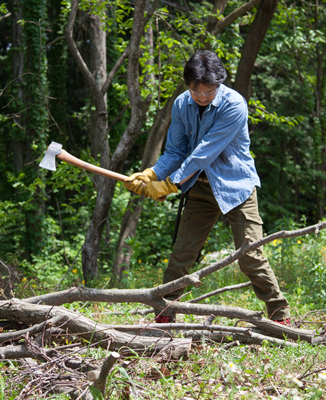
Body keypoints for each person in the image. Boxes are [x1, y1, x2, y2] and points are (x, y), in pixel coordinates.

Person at [124, 50, 291, 325]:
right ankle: (164, 316)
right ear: (188, 84)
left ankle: (279, 316)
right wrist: (152, 172)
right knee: (181, 256)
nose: (202, 96)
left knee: (250, 255)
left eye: (208, 90)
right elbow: (175, 150)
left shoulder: (234, 105)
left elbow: (204, 152)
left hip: (237, 187)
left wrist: (169, 184)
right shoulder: (180, 105)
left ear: (219, 83)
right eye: (195, 90)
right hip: (199, 189)